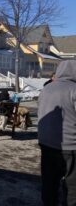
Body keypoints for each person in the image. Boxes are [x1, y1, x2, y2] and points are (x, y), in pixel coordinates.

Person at [38, 60, 76, 205]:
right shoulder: (74, 89)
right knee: (72, 187)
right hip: (70, 146)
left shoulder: (46, 89)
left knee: (49, 183)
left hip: (46, 144)